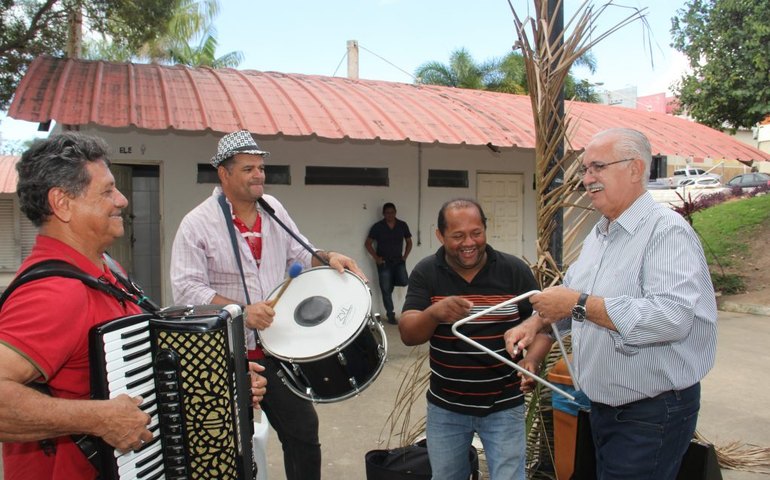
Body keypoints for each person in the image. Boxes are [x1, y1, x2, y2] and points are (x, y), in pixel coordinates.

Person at [0, 132, 265, 480]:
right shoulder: (54, 292)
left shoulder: (105, 268)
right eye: (107, 191)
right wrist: (98, 418)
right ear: (62, 203)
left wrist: (221, 382)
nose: (122, 200)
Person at [504, 128, 718, 480]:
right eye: (585, 169)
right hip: (604, 407)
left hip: (650, 412)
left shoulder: (666, 231)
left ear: (635, 169)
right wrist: (535, 323)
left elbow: (671, 317)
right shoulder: (600, 233)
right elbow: (573, 295)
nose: (587, 179)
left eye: (597, 167)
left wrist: (578, 304)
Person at [170, 130, 365, 480]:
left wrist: (329, 256)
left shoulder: (273, 208)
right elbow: (186, 289)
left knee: (303, 432)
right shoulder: (196, 223)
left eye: (260, 167)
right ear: (224, 173)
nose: (258, 175)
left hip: (276, 350)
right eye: (248, 169)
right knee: (228, 443)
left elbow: (301, 252)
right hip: (225, 354)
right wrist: (242, 312)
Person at [398, 198, 542, 480]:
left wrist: (533, 360)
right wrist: (434, 314)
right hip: (446, 408)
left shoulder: (513, 271)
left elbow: (542, 325)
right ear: (440, 235)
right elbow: (407, 334)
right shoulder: (427, 272)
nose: (469, 243)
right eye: (458, 236)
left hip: (504, 405)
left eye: (476, 233)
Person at [364, 202, 412, 324]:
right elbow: (368, 243)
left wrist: (405, 257)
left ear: (395, 212)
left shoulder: (402, 225)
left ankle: (390, 283)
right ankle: (391, 315)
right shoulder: (377, 227)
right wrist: (376, 258)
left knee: (404, 281)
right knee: (385, 290)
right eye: (387, 213)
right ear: (383, 214)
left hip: (399, 261)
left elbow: (409, 242)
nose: (390, 215)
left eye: (392, 212)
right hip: (384, 262)